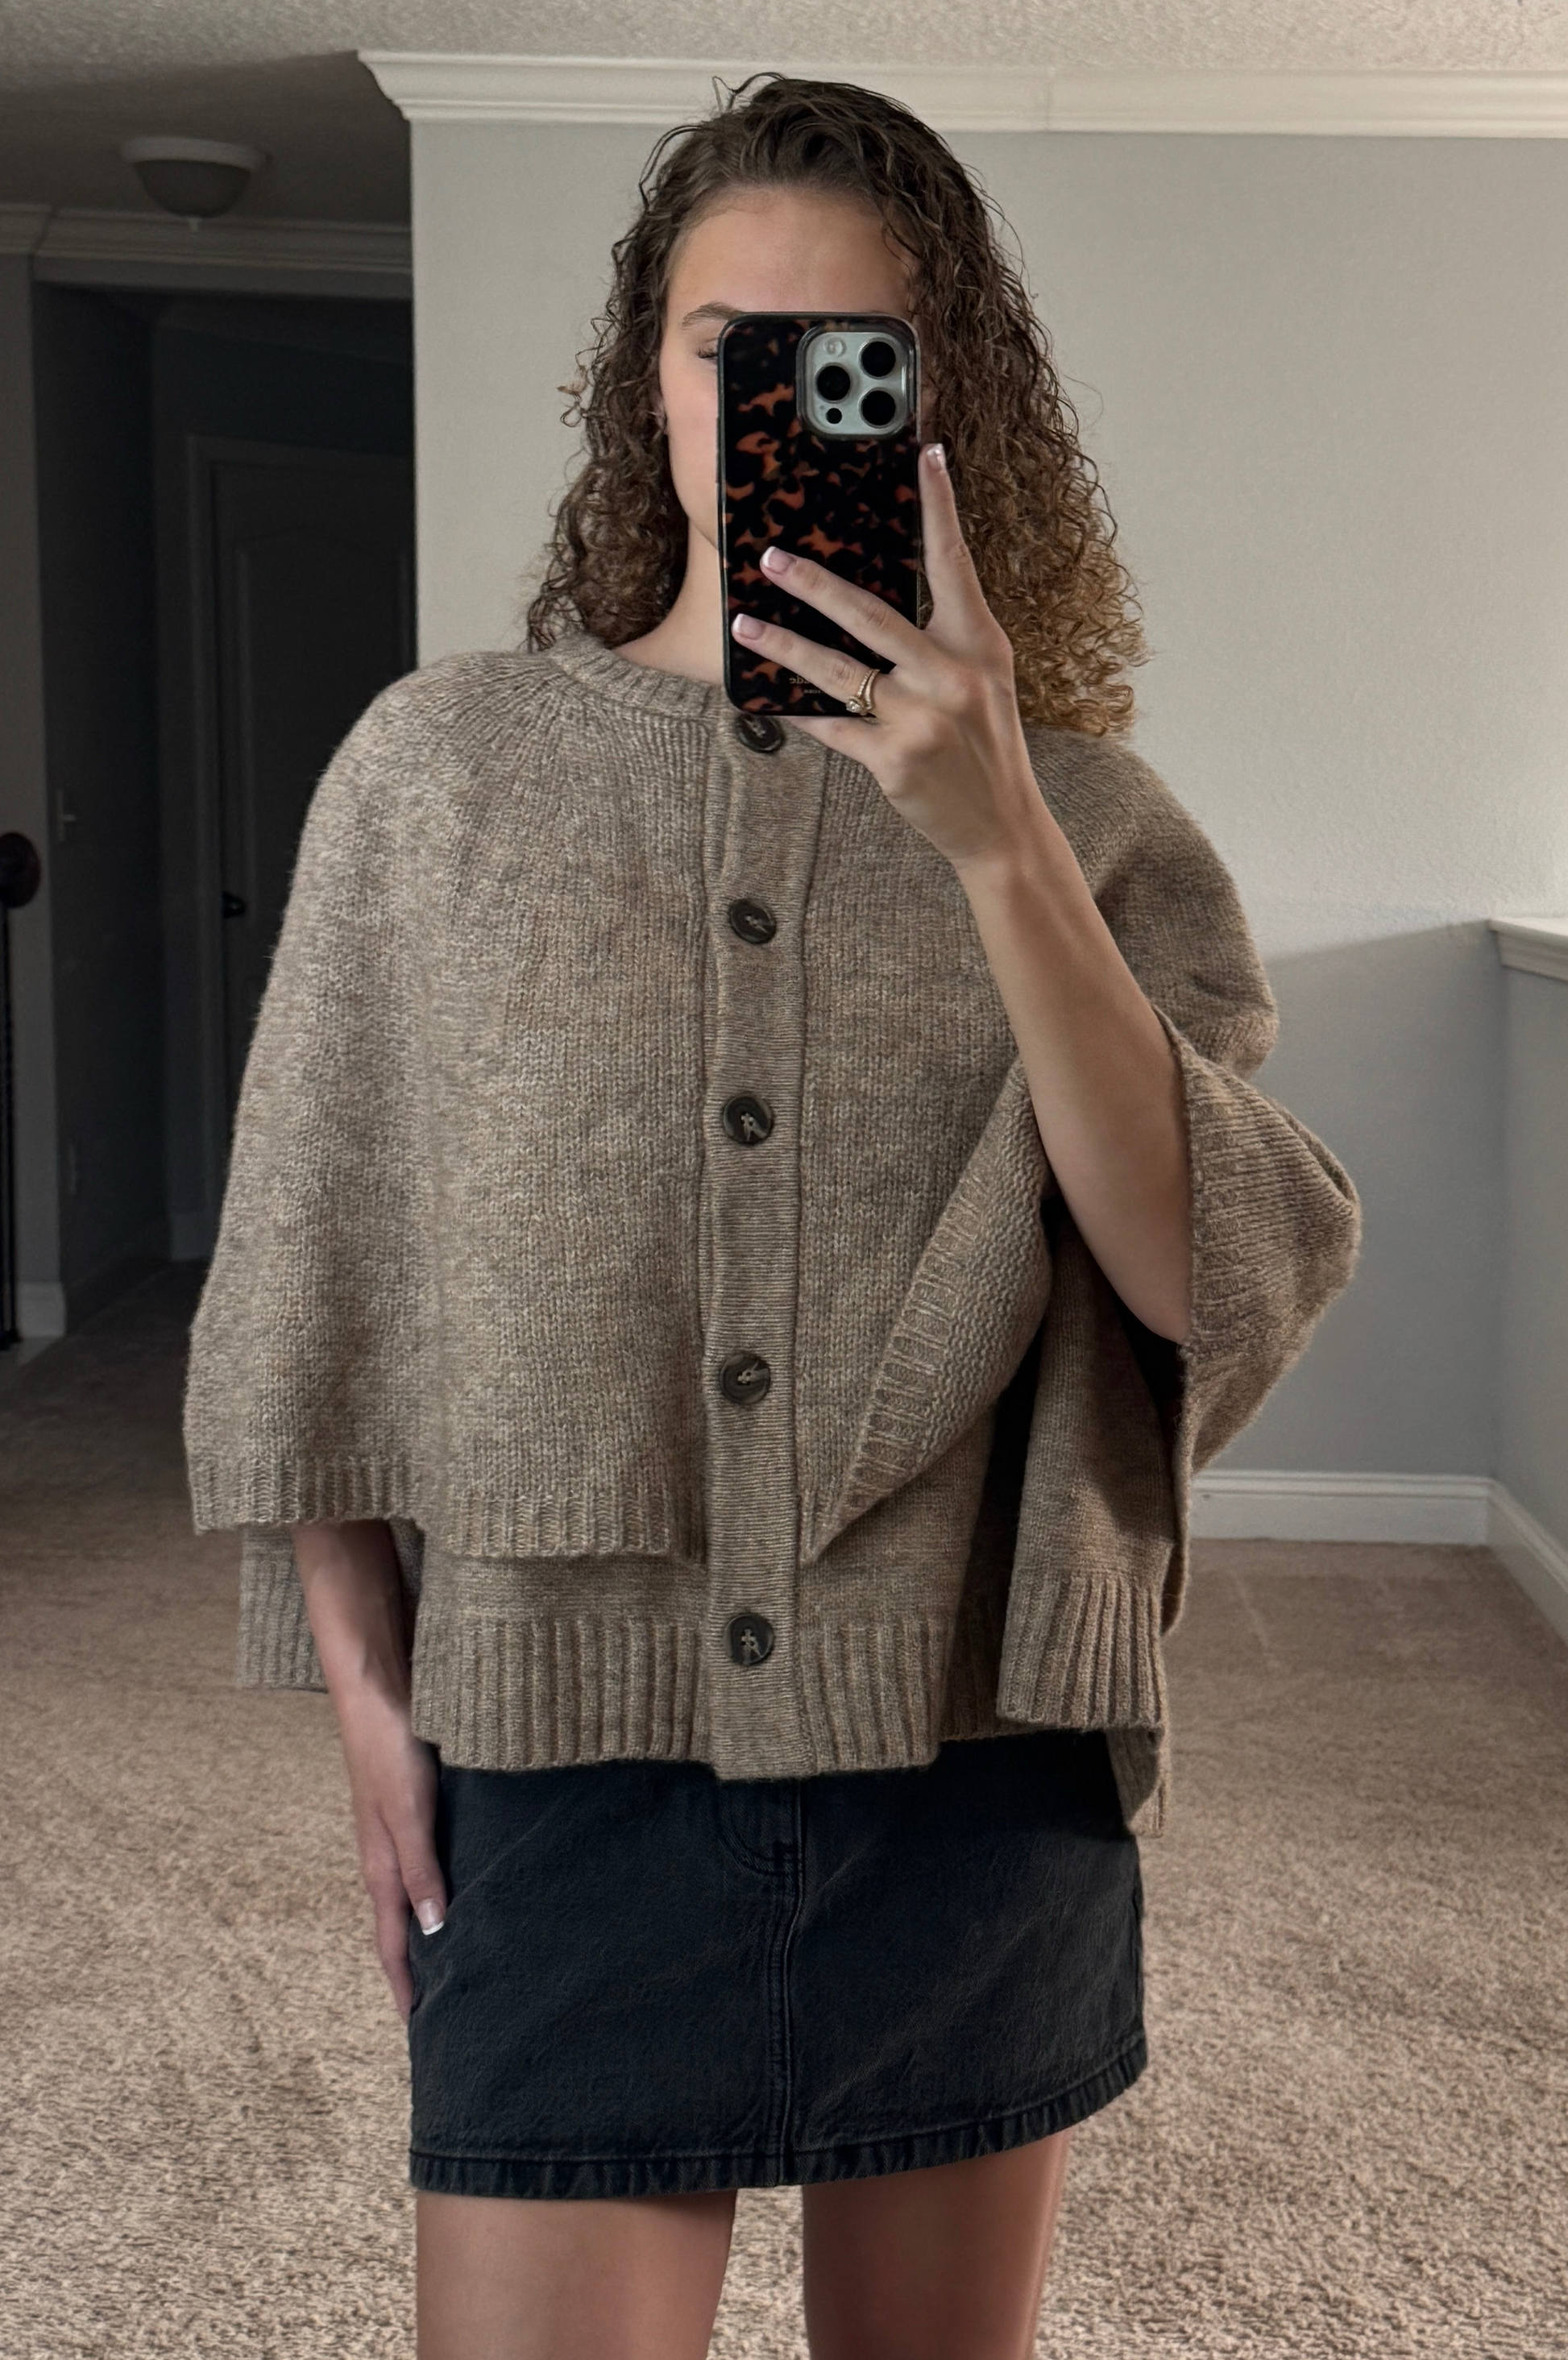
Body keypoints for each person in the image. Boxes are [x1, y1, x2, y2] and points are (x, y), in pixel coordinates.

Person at [183, 73, 1362, 2360]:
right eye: (731, 345)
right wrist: (367, 1696)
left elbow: (1207, 1279)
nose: (777, 406)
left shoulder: (1090, 817)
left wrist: (1000, 839)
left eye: (852, 360)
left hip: (971, 1775)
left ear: (937, 406)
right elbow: (311, 1271)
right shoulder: (440, 774)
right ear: (648, 375)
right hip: (568, 1774)